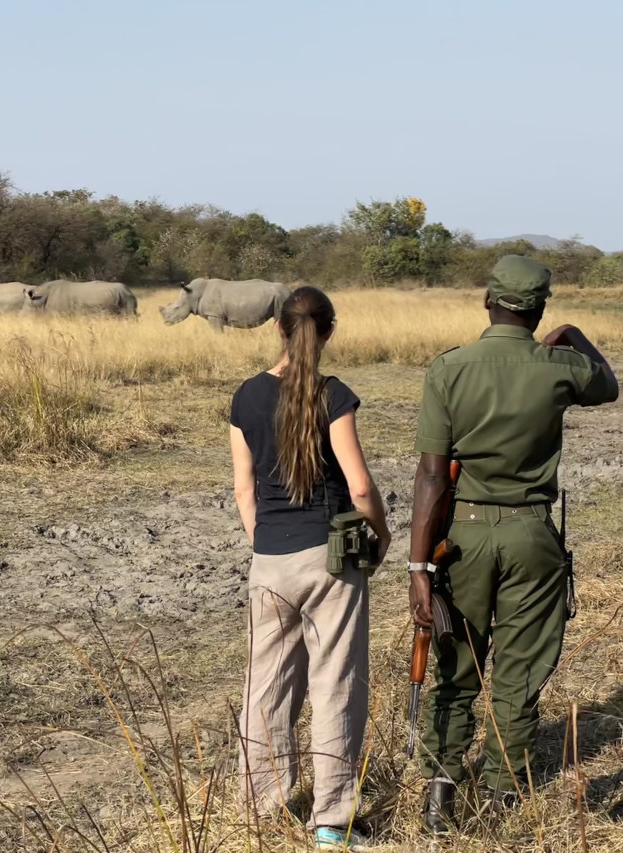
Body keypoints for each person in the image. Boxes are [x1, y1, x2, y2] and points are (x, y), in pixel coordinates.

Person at [407, 255, 619, 833]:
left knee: (455, 664)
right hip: (532, 533)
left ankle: (440, 794)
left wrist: (419, 565)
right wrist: (574, 337)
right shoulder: (558, 366)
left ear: (487, 300)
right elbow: (609, 385)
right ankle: (505, 794)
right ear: (541, 308)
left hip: (462, 537)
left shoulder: (448, 369)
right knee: (519, 671)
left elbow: (431, 476)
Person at [230, 285, 391, 852]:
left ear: (278, 328)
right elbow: (361, 485)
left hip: (269, 559)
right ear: (328, 332)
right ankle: (331, 821)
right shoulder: (334, 396)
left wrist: (267, 543)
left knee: (266, 685)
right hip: (330, 559)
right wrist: (383, 533)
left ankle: (261, 808)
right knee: (335, 683)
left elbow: (244, 489)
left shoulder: (245, 397)